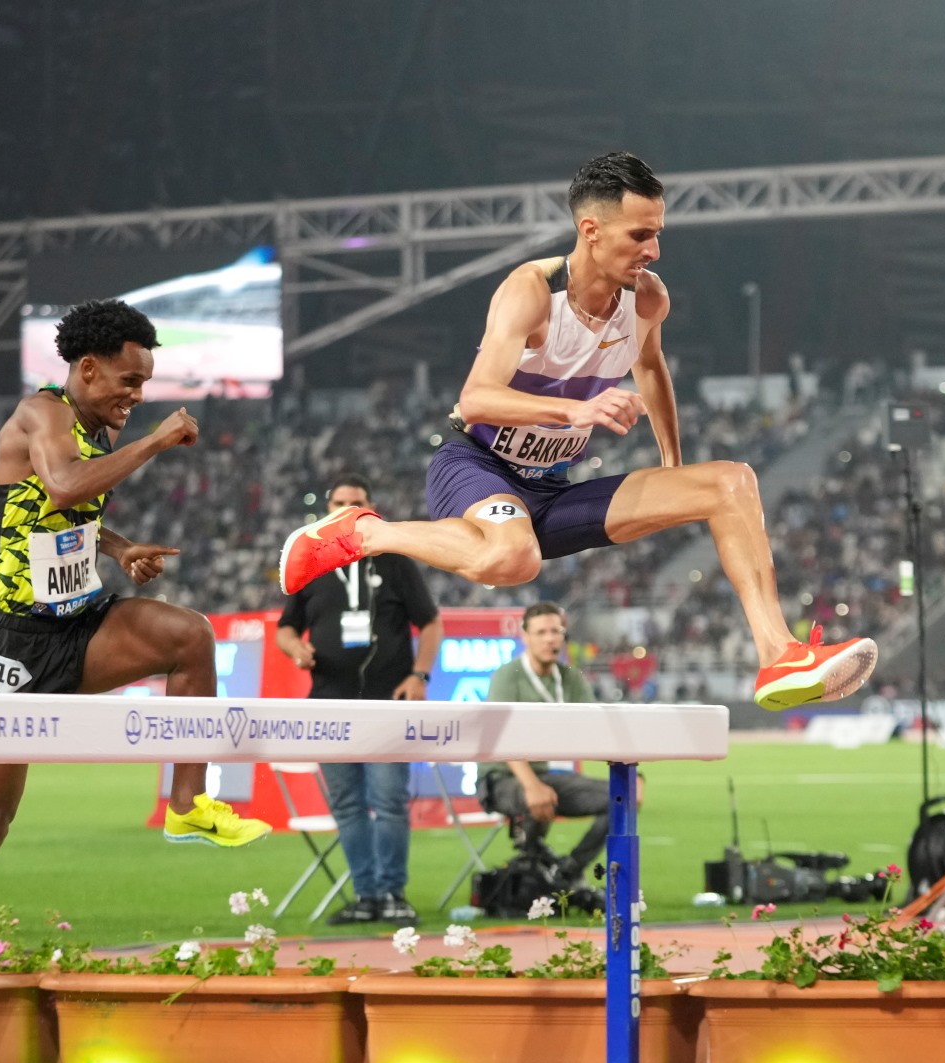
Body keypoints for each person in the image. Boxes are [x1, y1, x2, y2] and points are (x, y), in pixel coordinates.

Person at [277, 151, 877, 712]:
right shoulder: (532, 291)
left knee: (731, 482)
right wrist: (574, 412)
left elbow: (650, 367)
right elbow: (476, 397)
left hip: (554, 488)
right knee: (516, 559)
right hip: (478, 466)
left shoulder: (645, 299)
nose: (656, 250)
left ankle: (777, 655)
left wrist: (673, 467)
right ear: (591, 230)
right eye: (640, 234)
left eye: (659, 232)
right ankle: (367, 532)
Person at [0, 298, 271, 1063]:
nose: (135, 395)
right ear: (86, 368)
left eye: (143, 385)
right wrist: (157, 439)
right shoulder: (41, 414)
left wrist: (120, 547)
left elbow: (59, 512)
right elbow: (68, 485)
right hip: (16, 644)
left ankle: (187, 803)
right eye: (127, 380)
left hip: (81, 621)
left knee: (188, 636)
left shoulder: (97, 426)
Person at [277, 471, 444, 927]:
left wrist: (420, 675)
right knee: (348, 805)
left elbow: (431, 622)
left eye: (358, 503)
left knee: (389, 801)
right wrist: (295, 648)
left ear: (371, 511)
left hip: (386, 703)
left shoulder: (393, 560)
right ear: (327, 511)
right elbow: (285, 628)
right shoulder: (309, 565)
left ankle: (392, 893)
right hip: (329, 703)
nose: (348, 510)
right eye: (339, 503)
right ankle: (366, 895)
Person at [476, 602, 640, 885]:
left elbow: (597, 730)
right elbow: (501, 737)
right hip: (502, 777)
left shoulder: (570, 678)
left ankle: (568, 870)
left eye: (556, 631)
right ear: (525, 636)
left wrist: (633, 775)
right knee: (542, 794)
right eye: (541, 632)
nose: (550, 638)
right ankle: (531, 865)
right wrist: (531, 784)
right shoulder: (508, 675)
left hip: (548, 777)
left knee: (625, 797)